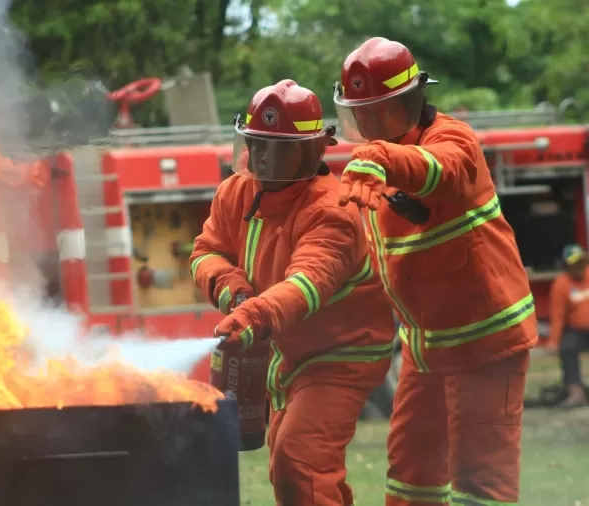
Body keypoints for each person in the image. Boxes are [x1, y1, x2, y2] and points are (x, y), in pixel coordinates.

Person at [333, 37, 538, 506]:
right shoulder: (373, 169)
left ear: (403, 104)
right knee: (410, 478)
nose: (366, 126)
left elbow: (437, 170)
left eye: (374, 113)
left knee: (480, 485)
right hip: (427, 351)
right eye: (357, 114)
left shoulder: (451, 140)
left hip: (487, 345)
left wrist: (380, 160)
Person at [190, 79, 396, 506]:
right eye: (255, 143)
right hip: (284, 351)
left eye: (276, 147)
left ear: (311, 151)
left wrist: (254, 315)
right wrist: (232, 289)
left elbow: (307, 284)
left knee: (299, 459)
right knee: (291, 465)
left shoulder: (333, 210)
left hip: (341, 357)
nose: (261, 156)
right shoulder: (235, 191)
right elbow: (205, 252)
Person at [548, 243, 589, 407]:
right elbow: (557, 316)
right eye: (574, 263)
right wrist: (553, 341)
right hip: (575, 331)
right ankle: (575, 392)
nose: (579, 266)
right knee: (567, 348)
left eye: (581, 261)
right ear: (566, 266)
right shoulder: (561, 284)